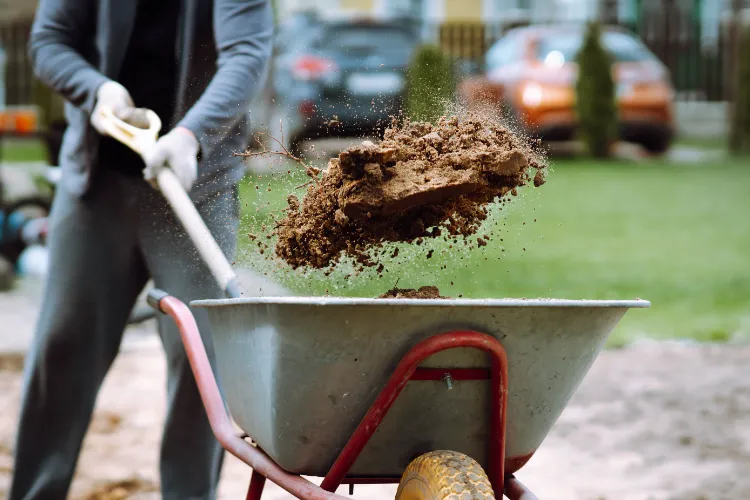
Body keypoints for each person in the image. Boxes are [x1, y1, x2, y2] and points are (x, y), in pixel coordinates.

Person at [10, 0, 273, 499]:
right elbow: (49, 42)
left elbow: (246, 54)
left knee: (202, 362)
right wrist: (98, 89)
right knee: (63, 345)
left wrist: (191, 136)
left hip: (197, 183)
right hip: (96, 182)